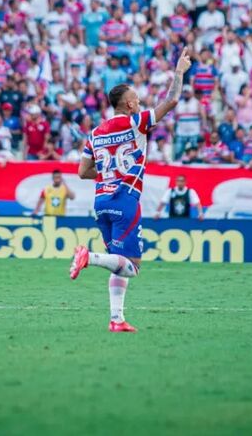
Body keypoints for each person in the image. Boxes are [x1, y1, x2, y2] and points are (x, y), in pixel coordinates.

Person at [69, 46, 192, 333]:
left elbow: (82, 172)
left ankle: (116, 319)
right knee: (132, 266)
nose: (139, 102)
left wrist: (108, 174)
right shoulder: (136, 123)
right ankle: (89, 257)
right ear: (128, 105)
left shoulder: (94, 133)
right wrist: (178, 72)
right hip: (125, 200)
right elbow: (172, 100)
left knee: (119, 262)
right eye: (136, 99)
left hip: (101, 202)